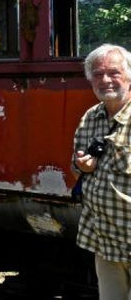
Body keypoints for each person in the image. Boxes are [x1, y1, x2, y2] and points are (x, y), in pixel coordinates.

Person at [73, 43, 131, 298]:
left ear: (129, 75)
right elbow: (76, 168)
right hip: (106, 242)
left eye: (113, 72)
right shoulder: (90, 117)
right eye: (97, 74)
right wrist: (80, 166)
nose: (105, 80)